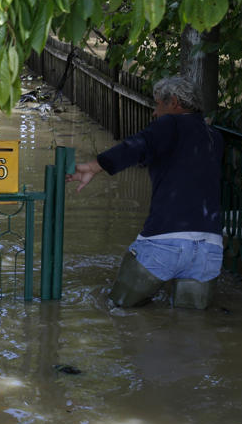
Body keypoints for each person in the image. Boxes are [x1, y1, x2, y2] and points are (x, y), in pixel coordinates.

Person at [67, 75, 224, 309]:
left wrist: (93, 166)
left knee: (117, 308)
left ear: (174, 102)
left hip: (164, 242)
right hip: (210, 248)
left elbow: (138, 146)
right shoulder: (215, 137)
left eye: (157, 104)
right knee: (192, 326)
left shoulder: (169, 124)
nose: (154, 113)